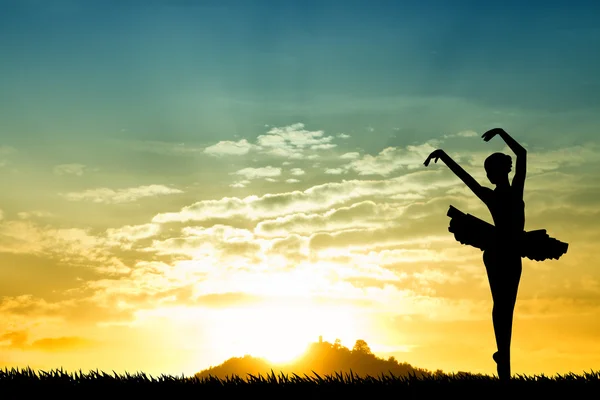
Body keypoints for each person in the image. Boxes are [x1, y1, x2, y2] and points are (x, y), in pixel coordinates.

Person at [423, 128, 567, 380]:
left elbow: (521, 154)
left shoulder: (512, 190)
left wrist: (502, 133)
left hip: (509, 250)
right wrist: (444, 156)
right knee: (502, 305)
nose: (488, 175)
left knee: (504, 305)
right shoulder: (499, 194)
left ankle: (503, 355)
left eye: (490, 170)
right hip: (500, 251)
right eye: (487, 171)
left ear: (501, 170)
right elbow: (467, 179)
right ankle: (504, 357)